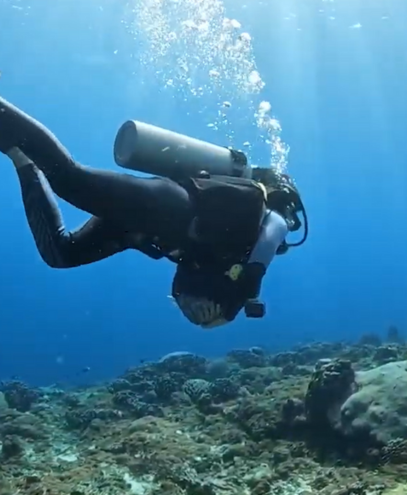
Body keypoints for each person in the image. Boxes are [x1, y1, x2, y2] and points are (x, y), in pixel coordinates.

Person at [0, 95, 308, 328]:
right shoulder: (269, 224)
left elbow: (185, 277)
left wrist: (192, 305)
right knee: (71, 181)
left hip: (146, 230)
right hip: (173, 205)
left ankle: (21, 158)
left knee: (61, 254)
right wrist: (247, 293)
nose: (278, 249)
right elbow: (275, 231)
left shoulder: (227, 258)